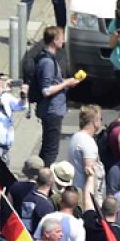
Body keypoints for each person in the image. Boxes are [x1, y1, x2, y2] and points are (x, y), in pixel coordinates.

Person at [33, 27, 81, 165]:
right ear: (54, 40)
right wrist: (66, 83)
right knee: (51, 150)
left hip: (53, 109)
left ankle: (39, 174)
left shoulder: (49, 59)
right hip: (51, 110)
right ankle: (44, 178)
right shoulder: (47, 62)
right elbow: (46, 90)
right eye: (61, 38)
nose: (63, 41)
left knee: (48, 147)